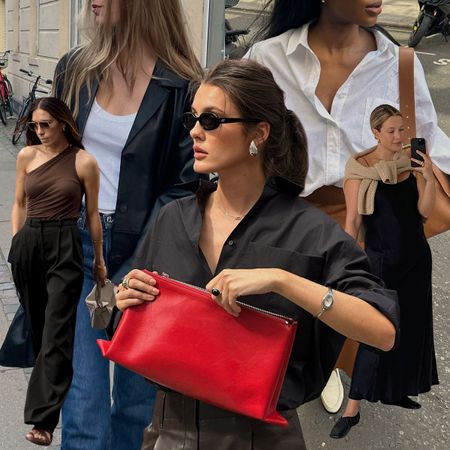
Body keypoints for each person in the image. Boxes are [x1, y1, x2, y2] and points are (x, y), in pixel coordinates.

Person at [114, 59, 398, 450]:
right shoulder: (173, 219)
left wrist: (283, 280)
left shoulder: (308, 232)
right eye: (192, 119)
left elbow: (382, 332)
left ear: (258, 133)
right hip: (167, 432)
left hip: (260, 438)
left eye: (211, 120)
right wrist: (123, 299)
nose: (195, 131)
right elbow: (127, 318)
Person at [245, 0, 450, 413]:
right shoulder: (268, 59)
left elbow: (433, 146)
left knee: (352, 327)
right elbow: (240, 142)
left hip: (372, 223)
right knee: (274, 343)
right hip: (288, 222)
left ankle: (333, 367)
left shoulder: (399, 65)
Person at [52, 1, 203, 449]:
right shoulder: (74, 69)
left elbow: (185, 185)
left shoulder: (184, 84)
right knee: (81, 409)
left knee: (138, 409)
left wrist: (135, 269)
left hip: (150, 261)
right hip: (79, 247)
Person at [329, 104, 438, 438]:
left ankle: (397, 391)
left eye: (401, 130)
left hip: (416, 260)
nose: (398, 137)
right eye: (390, 131)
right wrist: (344, 266)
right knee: (375, 335)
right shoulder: (359, 171)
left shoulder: (411, 165)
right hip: (380, 265)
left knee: (413, 330)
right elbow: (352, 224)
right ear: (375, 133)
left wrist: (428, 176)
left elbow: (425, 210)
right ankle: (353, 408)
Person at [8, 97, 106, 446]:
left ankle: (44, 420)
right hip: (29, 244)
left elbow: (93, 215)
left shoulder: (84, 162)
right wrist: (16, 245)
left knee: (56, 332)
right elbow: (19, 202)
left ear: (64, 123)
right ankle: (40, 374)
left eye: (46, 124)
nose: (39, 131)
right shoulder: (27, 157)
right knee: (39, 328)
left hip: (66, 245)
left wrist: (99, 260)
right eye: (34, 125)